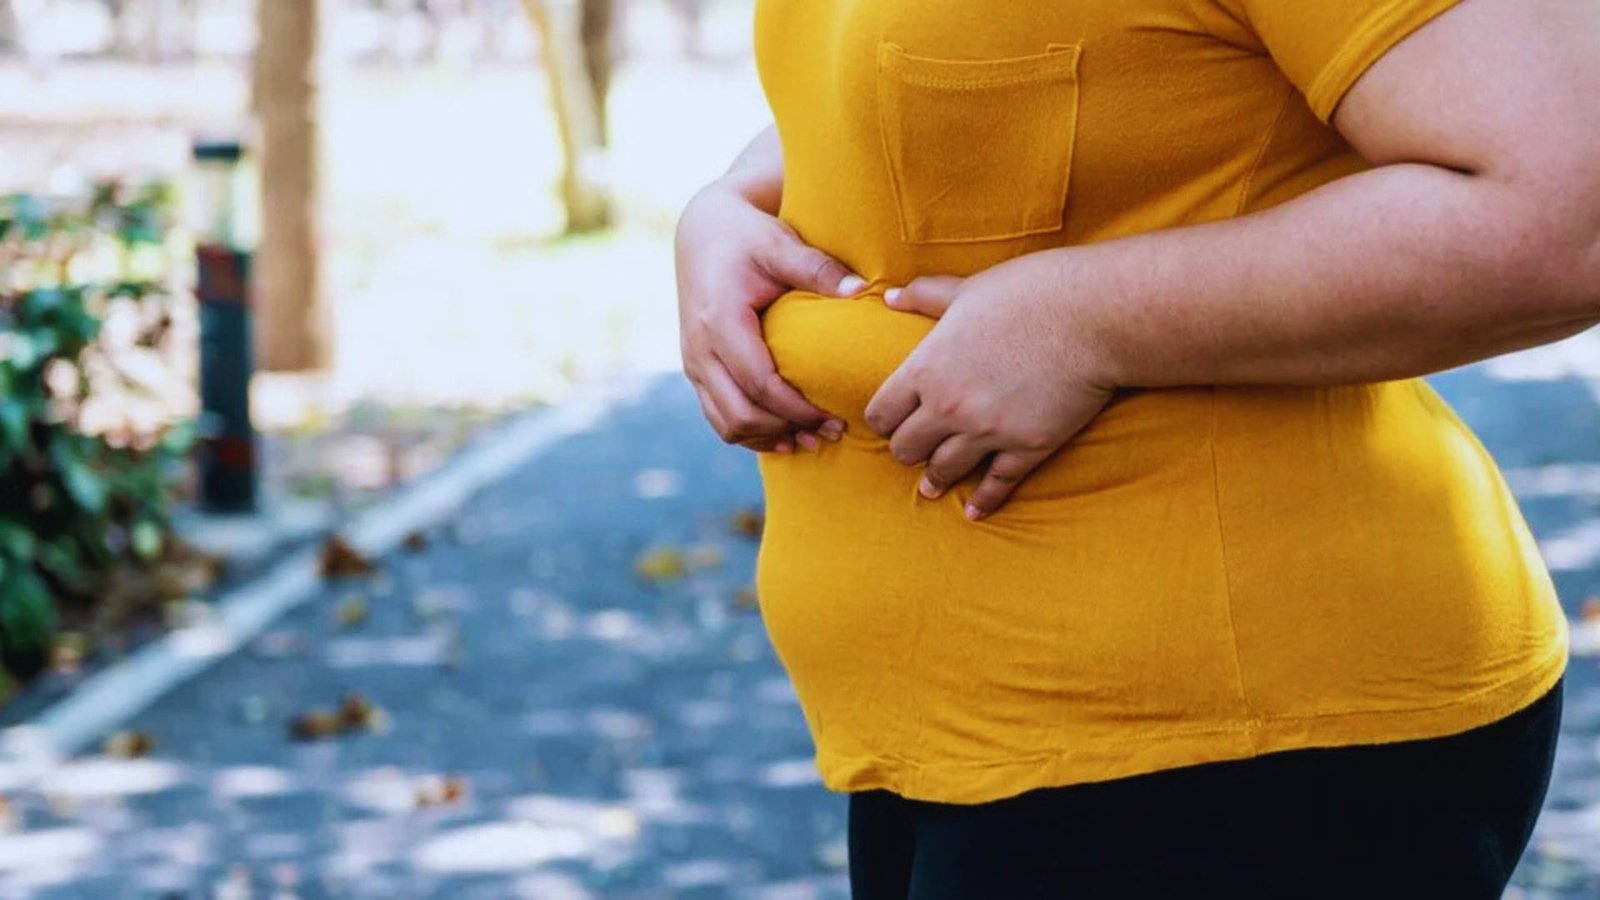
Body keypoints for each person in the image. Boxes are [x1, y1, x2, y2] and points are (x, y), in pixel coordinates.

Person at [673, 0, 1596, 895]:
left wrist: (1086, 323)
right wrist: (729, 204)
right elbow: (955, 72)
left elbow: (1566, 211)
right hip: (970, 736)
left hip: (1231, 743)